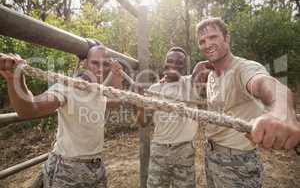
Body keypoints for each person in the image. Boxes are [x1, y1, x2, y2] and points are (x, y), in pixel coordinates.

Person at [193, 18, 300, 188]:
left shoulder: (244, 68)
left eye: (213, 37)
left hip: (237, 164)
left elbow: (266, 83)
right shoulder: (212, 74)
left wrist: (281, 111)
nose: (207, 44)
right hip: (211, 156)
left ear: (227, 38)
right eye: (202, 41)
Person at [0, 45, 124, 187]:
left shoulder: (99, 91)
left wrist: (117, 78)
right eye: (95, 63)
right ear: (85, 64)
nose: (101, 69)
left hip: (96, 166)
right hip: (67, 168)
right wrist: (14, 80)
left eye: (106, 64)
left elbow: (115, 103)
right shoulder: (67, 87)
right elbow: (30, 109)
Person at [138, 47, 199, 188]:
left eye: (179, 62)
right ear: (164, 63)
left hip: (184, 150)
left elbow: (207, 67)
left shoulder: (191, 83)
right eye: (170, 61)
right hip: (159, 149)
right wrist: (139, 103)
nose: (174, 65)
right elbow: (143, 122)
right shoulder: (154, 89)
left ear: (185, 66)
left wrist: (202, 65)